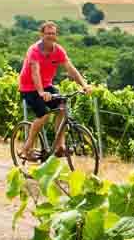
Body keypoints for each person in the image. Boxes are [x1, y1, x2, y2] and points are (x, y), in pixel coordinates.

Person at [19, 21, 91, 159]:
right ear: (42, 34)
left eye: (53, 33)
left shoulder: (58, 51)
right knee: (44, 115)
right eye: (47, 33)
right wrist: (41, 93)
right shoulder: (34, 50)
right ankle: (27, 147)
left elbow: (70, 69)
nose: (50, 36)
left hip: (46, 85)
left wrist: (84, 84)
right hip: (29, 87)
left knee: (62, 107)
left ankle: (59, 146)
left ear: (56, 35)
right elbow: (35, 73)